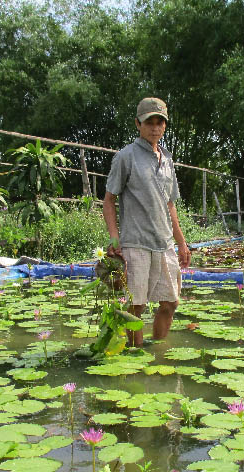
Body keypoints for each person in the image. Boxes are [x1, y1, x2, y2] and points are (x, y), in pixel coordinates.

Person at [102, 97, 191, 346]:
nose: (154, 127)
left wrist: (182, 244)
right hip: (136, 244)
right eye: (149, 122)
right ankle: (136, 357)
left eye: (159, 122)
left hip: (164, 244)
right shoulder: (125, 157)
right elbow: (108, 200)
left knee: (171, 302)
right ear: (137, 124)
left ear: (164, 125)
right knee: (136, 307)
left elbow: (170, 205)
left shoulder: (167, 160)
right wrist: (114, 238)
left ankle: (157, 350)